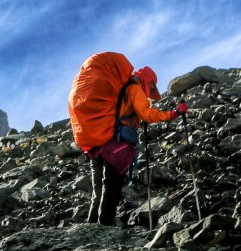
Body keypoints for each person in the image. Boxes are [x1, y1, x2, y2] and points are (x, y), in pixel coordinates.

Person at [67, 53, 186, 226]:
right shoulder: (134, 88)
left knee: (97, 191)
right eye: (151, 87)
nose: (150, 92)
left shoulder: (119, 89)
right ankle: (104, 227)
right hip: (116, 144)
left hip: (97, 142)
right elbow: (147, 114)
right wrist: (174, 114)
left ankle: (90, 228)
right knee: (111, 188)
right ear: (148, 81)